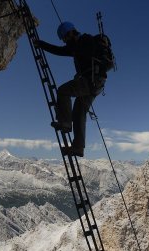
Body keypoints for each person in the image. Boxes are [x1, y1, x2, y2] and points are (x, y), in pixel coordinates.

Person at [34, 22, 107, 157]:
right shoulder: (78, 45)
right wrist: (42, 44)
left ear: (70, 33)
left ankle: (65, 122)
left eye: (65, 38)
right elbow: (60, 50)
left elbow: (79, 52)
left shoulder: (86, 40)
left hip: (90, 81)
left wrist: (73, 49)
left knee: (63, 91)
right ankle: (78, 148)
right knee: (79, 112)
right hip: (95, 83)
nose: (65, 42)